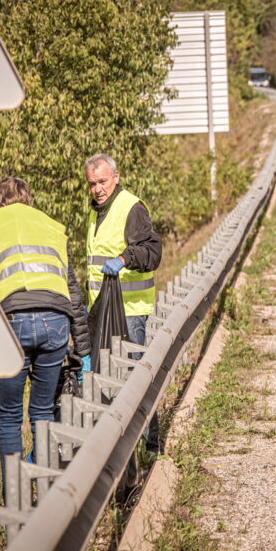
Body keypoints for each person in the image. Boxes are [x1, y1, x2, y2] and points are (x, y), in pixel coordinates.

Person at [0, 177, 91, 498]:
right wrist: (84, 348)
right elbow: (73, 291)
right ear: (28, 199)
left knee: (10, 416)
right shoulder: (49, 226)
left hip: (12, 322)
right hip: (56, 321)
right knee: (41, 411)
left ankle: (14, 500)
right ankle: (48, 489)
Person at [83, 154, 162, 457]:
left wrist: (124, 259)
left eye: (103, 182)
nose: (98, 189)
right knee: (112, 387)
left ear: (115, 177)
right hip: (103, 314)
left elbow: (152, 251)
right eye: (92, 184)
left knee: (134, 381)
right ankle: (122, 454)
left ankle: (151, 447)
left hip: (129, 312)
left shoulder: (130, 208)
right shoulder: (96, 213)